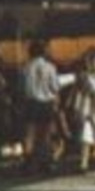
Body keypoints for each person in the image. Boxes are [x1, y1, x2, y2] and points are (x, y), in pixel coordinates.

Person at [21, 40, 62, 174]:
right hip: (46, 103)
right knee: (46, 133)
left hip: (31, 102)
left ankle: (28, 163)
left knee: (30, 133)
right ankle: (47, 162)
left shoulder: (26, 67)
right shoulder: (50, 67)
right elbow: (55, 86)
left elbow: (23, 87)